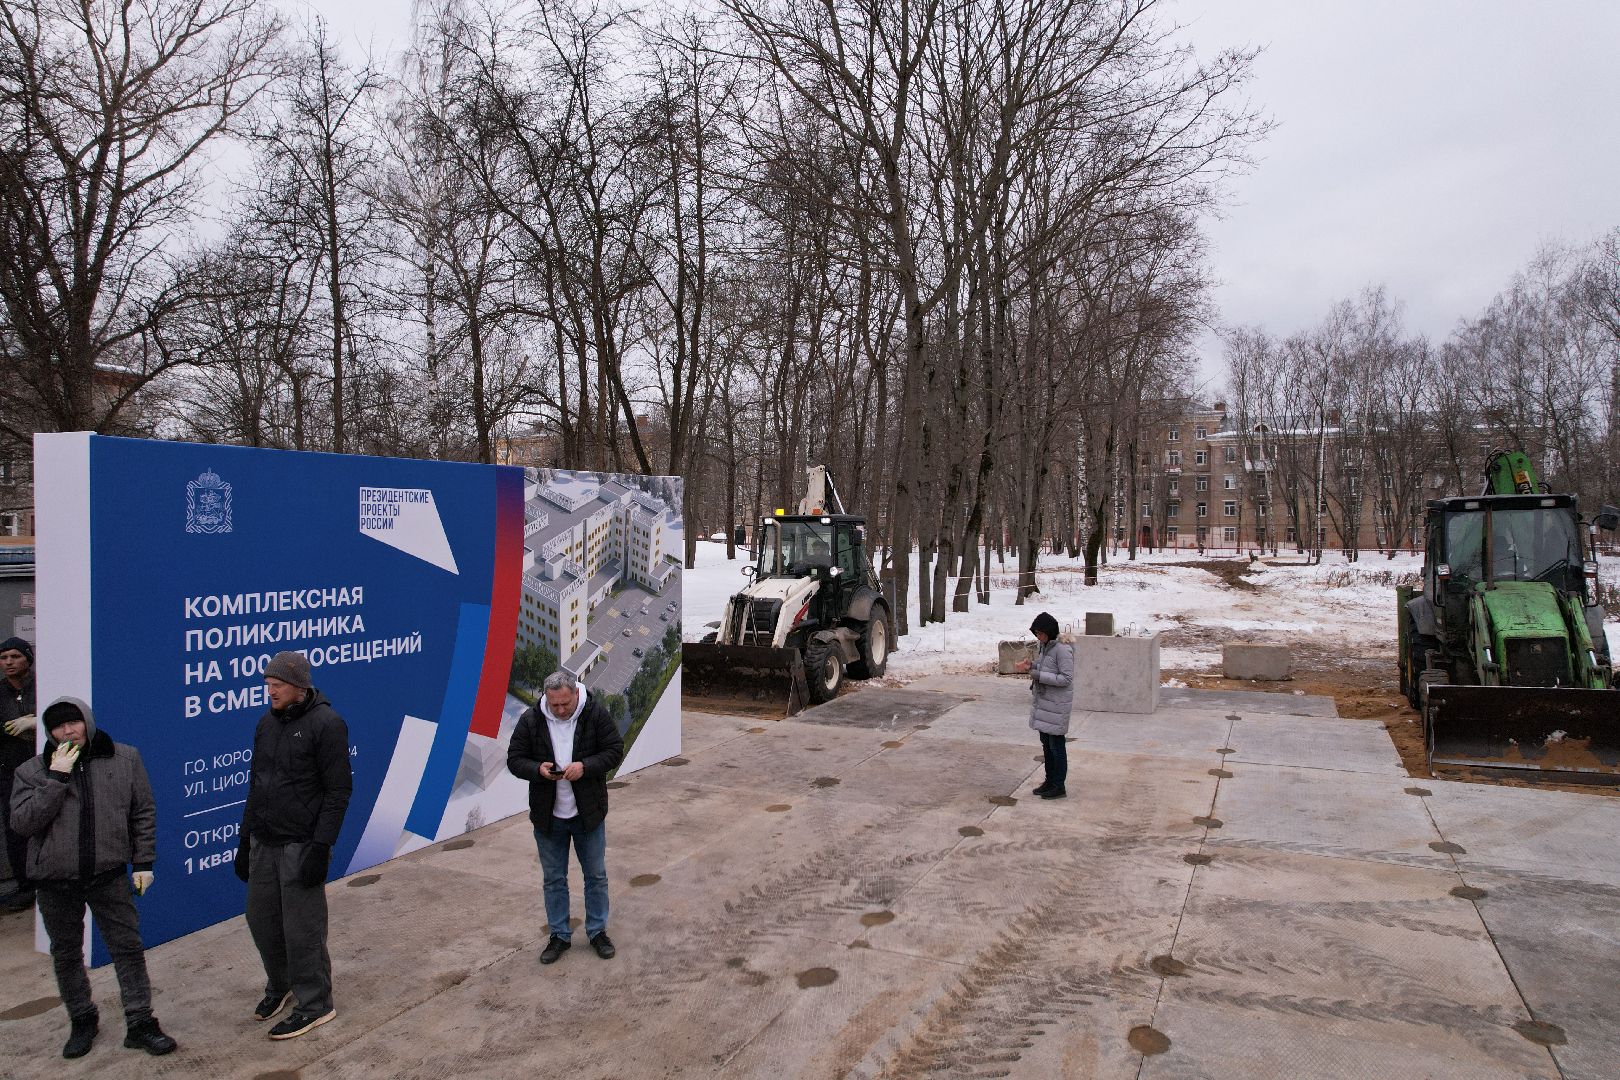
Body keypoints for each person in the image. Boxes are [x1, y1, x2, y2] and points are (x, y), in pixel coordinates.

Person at [9, 697, 177, 1058]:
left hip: (109, 876)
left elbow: (142, 811)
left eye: (74, 723)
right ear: (49, 733)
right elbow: (22, 823)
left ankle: (140, 1021)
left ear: (87, 721)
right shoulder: (32, 772)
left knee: (127, 949)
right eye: (58, 727)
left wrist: (143, 861)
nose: (67, 731)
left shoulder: (124, 758)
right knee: (67, 953)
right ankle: (82, 1019)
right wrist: (56, 778)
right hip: (56, 882)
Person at [234, 651, 352, 1040]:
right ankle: (280, 983)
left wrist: (321, 847)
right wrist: (244, 840)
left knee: (302, 929)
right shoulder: (265, 724)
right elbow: (256, 785)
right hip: (264, 841)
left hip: (301, 844)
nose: (270, 691)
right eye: (268, 684)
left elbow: (338, 791)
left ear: (299, 686)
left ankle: (316, 1003)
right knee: (261, 919)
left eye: (277, 684)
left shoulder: (327, 724)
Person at [507, 669, 624, 964]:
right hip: (549, 817)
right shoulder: (532, 720)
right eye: (554, 704)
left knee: (596, 876)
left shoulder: (594, 714)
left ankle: (597, 932)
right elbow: (514, 759)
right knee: (554, 879)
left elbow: (614, 750)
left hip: (588, 814)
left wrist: (585, 766)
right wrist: (538, 770)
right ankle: (559, 935)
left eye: (565, 704)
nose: (560, 710)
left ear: (575, 694)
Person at [1014, 612, 1073, 800]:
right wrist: (1031, 665)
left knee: (1056, 747)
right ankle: (1049, 780)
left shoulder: (1063, 649)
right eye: (1036, 634)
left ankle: (1059, 785)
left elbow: (1066, 678)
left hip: (1056, 705)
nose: (1038, 637)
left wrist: (1038, 675)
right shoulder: (1045, 646)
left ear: (1049, 631)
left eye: (1040, 633)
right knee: (1046, 745)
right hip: (1044, 704)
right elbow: (1044, 666)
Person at [0, 636, 37, 911]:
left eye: (15, 656)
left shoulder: (43, 685)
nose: (9, 662)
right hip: (10, 770)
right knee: (16, 826)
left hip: (43, 767)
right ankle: (26, 886)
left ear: (28, 658)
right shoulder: (1, 692)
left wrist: (34, 722)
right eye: (4, 658)